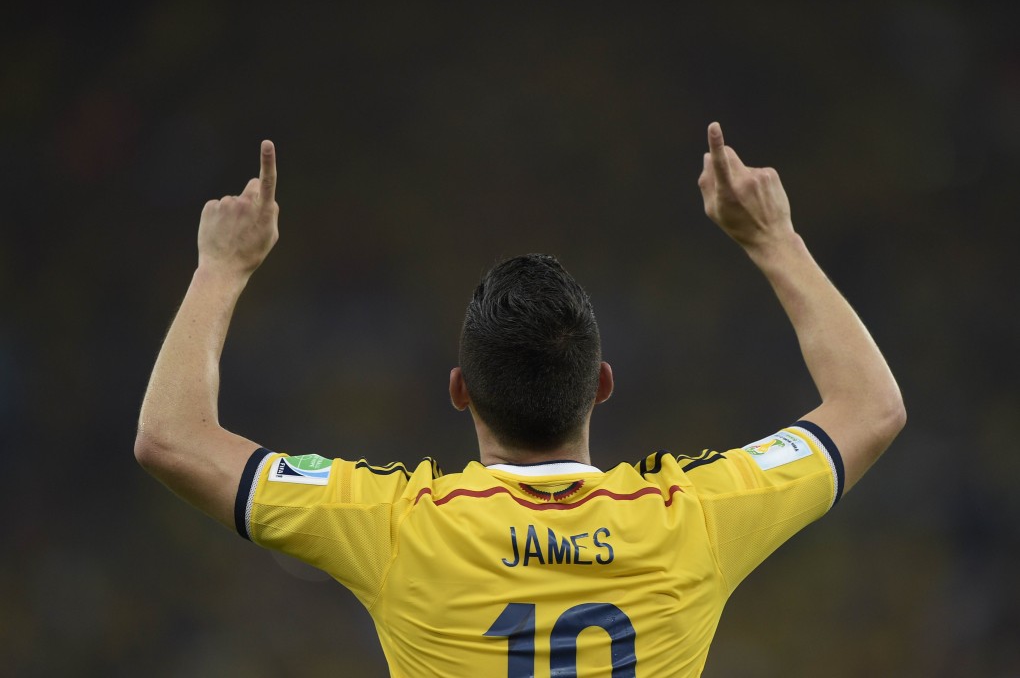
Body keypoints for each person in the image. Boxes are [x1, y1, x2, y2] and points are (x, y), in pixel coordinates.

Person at [135, 122, 905, 677]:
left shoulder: (395, 526)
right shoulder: (695, 517)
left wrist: (220, 268)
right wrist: (774, 240)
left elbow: (170, 438)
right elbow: (870, 406)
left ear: (459, 392)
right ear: (602, 387)